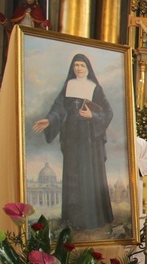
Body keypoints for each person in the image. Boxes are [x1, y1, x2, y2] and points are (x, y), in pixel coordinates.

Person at [32, 53, 114, 230]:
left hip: (89, 138)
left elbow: (108, 112)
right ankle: (72, 220)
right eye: (76, 65)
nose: (78, 68)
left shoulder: (95, 88)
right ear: (72, 68)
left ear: (87, 68)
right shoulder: (68, 86)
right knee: (72, 177)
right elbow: (59, 108)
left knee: (88, 175)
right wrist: (49, 120)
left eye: (82, 65)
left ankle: (91, 220)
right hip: (71, 137)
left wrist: (93, 115)